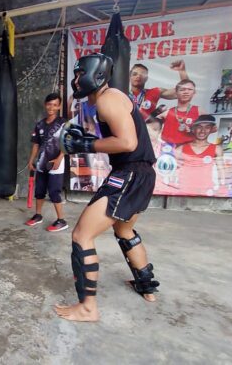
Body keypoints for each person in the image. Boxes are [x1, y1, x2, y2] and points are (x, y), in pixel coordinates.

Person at [56, 53, 159, 322]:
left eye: (80, 75)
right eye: (75, 75)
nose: (76, 80)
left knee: (81, 235)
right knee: (124, 228)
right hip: (140, 174)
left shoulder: (107, 99)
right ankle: (147, 287)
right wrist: (89, 141)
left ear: (96, 76)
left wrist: (86, 145)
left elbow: (127, 143)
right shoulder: (108, 99)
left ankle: (88, 308)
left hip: (131, 173)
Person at [25, 93, 68, 232]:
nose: (51, 107)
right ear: (45, 104)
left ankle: (61, 220)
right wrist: (31, 161)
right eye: (49, 104)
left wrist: (59, 159)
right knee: (40, 190)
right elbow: (36, 145)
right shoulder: (40, 124)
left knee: (54, 192)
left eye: (55, 105)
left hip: (56, 163)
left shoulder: (63, 123)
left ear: (59, 106)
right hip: (41, 163)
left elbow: (67, 143)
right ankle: (38, 215)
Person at [175, 114, 226, 196]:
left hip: (206, 191)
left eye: (207, 127)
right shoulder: (180, 149)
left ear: (211, 129)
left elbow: (221, 171)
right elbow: (173, 171)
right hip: (184, 191)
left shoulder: (216, 149)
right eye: (199, 127)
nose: (203, 131)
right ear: (193, 129)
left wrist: (222, 187)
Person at [157, 79, 200, 145]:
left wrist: (192, 129)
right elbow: (148, 127)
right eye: (182, 89)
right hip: (167, 151)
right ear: (176, 93)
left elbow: (211, 129)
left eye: (190, 89)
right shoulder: (165, 111)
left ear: (194, 92)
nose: (186, 92)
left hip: (188, 151)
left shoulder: (199, 111)